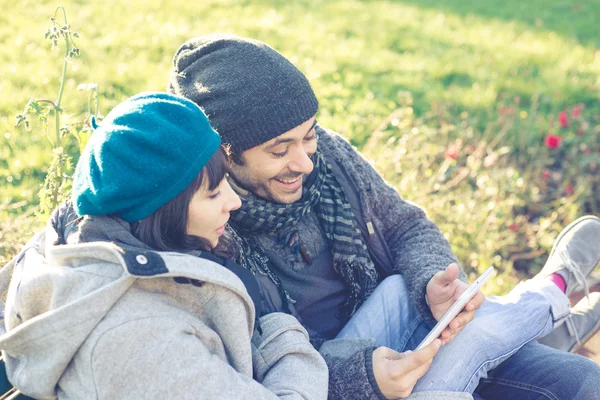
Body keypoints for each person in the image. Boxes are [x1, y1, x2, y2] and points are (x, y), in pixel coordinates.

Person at [168, 34, 600, 400]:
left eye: (309, 135)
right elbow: (259, 376)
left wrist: (431, 281)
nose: (303, 162)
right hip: (341, 377)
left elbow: (405, 227)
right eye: (279, 150)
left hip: (415, 331)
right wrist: (362, 376)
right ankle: (551, 299)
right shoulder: (206, 224)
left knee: (583, 382)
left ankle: (545, 313)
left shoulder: (330, 158)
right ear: (225, 152)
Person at [0, 92, 328, 399]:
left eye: (225, 181)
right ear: (161, 212)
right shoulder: (145, 343)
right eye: (212, 193)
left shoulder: (72, 241)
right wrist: (285, 336)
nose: (233, 202)